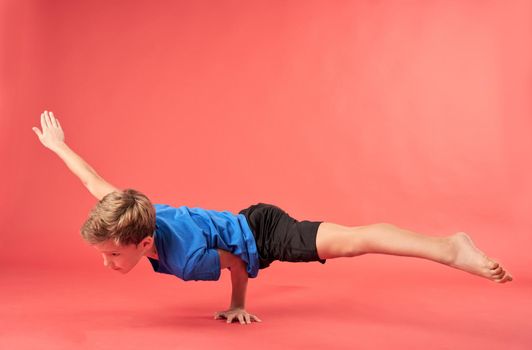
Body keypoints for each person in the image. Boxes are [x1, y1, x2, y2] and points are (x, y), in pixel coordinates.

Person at [32, 110, 513, 325]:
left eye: (112, 256)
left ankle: (450, 247)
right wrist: (58, 147)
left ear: (142, 244)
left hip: (263, 236)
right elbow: (95, 182)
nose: (106, 263)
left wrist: (238, 304)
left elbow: (237, 264)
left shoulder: (185, 258)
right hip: (250, 219)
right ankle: (448, 246)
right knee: (348, 238)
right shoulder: (136, 212)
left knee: (351, 241)